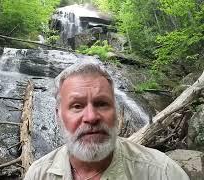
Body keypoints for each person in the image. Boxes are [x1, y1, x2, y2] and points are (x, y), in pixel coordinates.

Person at [24, 61, 189, 180]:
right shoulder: (38, 174)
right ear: (58, 115)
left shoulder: (163, 173)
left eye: (102, 104)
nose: (91, 117)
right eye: (77, 106)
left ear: (117, 112)